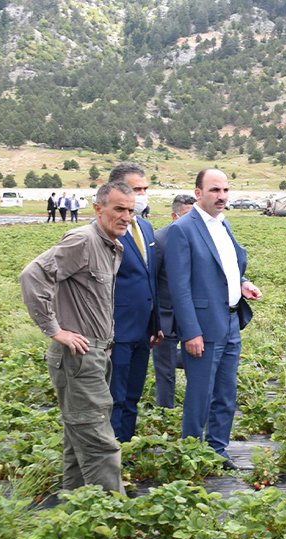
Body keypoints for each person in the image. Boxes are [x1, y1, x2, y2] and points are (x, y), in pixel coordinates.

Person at [18, 181, 135, 495]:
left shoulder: (112, 245)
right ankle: (112, 519)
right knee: (99, 442)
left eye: (130, 210)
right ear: (98, 208)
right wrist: (55, 330)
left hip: (95, 354)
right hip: (78, 358)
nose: (126, 216)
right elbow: (32, 276)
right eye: (118, 209)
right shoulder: (83, 240)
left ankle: (73, 505)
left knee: (78, 437)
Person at [164, 169, 262, 468]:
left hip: (231, 321)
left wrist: (242, 283)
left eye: (225, 190)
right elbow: (179, 287)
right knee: (200, 394)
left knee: (226, 392)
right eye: (214, 190)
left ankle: (218, 450)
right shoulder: (183, 229)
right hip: (204, 327)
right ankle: (192, 453)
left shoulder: (223, 223)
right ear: (198, 193)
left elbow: (226, 267)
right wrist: (190, 332)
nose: (221, 196)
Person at [105, 163, 159, 443]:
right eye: (136, 189)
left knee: (133, 394)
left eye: (144, 189)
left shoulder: (146, 228)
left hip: (143, 330)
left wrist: (157, 323)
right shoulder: (104, 231)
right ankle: (109, 454)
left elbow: (150, 278)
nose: (141, 195)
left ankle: (124, 446)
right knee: (115, 396)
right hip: (117, 330)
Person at [152, 194, 196, 409]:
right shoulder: (160, 240)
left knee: (196, 359)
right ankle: (165, 412)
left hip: (192, 315)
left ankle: (195, 407)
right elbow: (150, 281)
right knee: (165, 372)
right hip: (165, 315)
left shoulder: (199, 238)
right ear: (174, 215)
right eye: (187, 215)